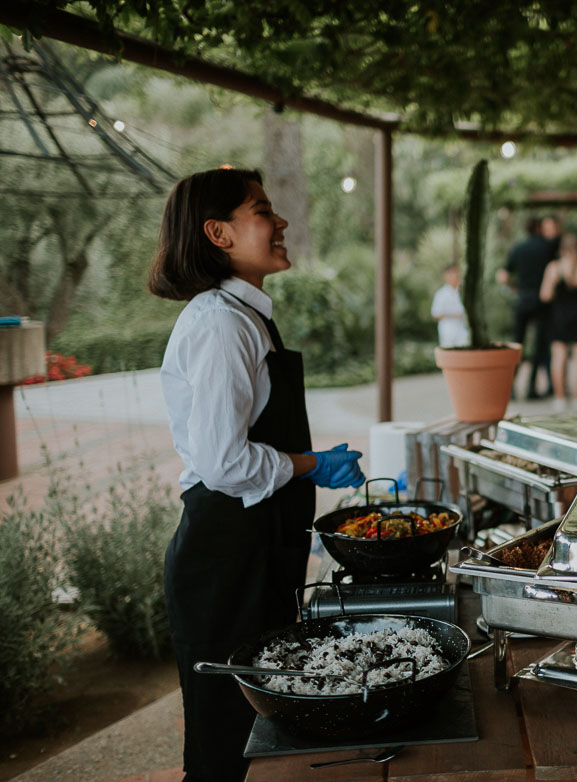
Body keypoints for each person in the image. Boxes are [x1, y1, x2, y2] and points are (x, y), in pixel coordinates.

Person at [148, 168, 365, 782]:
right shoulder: (221, 324)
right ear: (218, 232)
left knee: (259, 730)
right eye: (263, 211)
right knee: (223, 748)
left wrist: (307, 467)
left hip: (255, 546)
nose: (281, 222)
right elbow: (222, 463)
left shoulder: (245, 316)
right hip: (225, 560)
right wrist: (309, 464)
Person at [498, 216, 555, 398]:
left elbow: (504, 275)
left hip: (522, 300)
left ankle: (511, 388)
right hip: (542, 301)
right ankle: (532, 387)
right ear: (539, 228)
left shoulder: (518, 249)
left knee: (517, 344)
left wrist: (515, 288)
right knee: (540, 345)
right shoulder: (548, 247)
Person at [539, 233, 577, 411]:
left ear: (561, 250)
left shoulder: (553, 268)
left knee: (559, 357)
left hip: (559, 317)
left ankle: (560, 398)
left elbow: (545, 296)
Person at [431, 263, 470, 347]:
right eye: (451, 273)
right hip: (447, 333)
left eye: (456, 273)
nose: (455, 276)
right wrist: (454, 315)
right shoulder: (441, 294)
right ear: (445, 276)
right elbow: (435, 314)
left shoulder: (463, 292)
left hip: (462, 332)